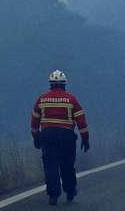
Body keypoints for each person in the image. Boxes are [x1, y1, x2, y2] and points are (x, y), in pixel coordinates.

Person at [30, 69, 89, 205]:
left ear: (50, 84)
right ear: (64, 84)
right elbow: (81, 121)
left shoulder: (42, 98)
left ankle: (53, 195)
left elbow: (34, 121)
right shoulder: (71, 99)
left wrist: (36, 137)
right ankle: (70, 191)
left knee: (50, 166)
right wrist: (85, 139)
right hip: (66, 136)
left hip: (47, 136)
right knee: (67, 165)